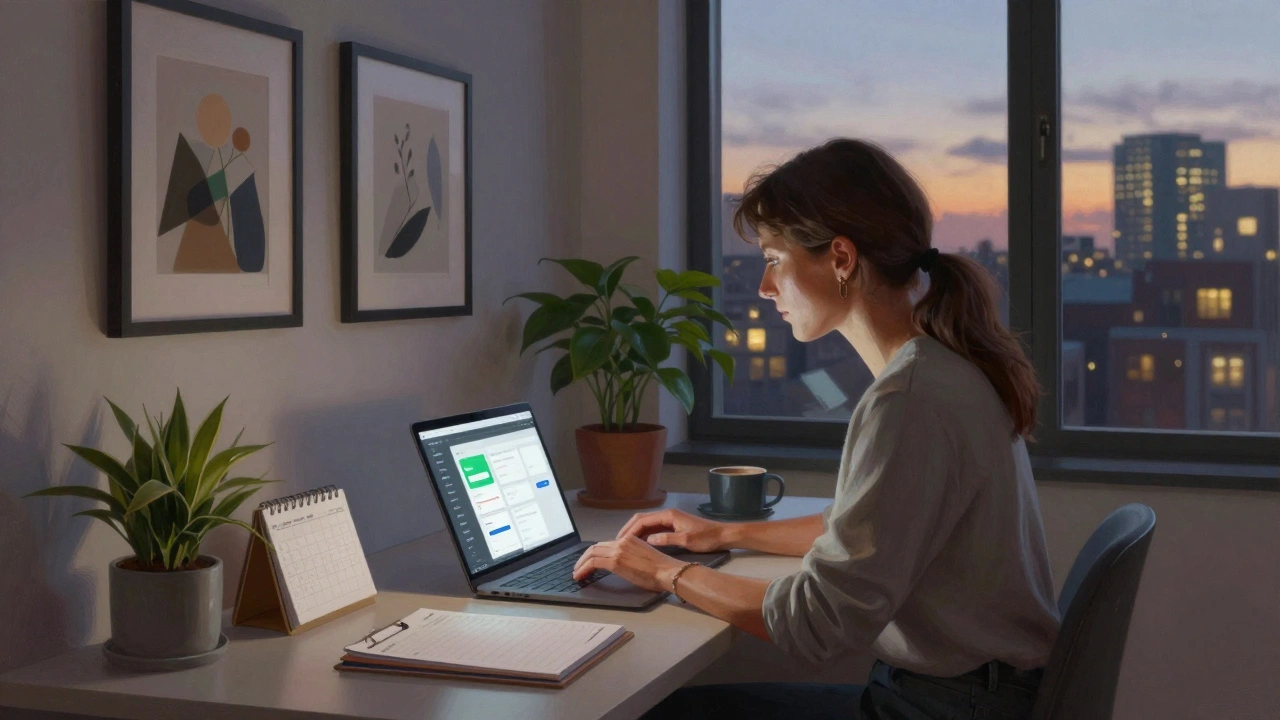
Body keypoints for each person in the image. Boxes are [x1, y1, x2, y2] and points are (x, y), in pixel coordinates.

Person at [571, 138, 1060, 719]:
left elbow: (818, 625)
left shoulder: (909, 400)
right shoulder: (940, 370)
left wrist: (666, 572)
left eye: (774, 259)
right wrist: (722, 535)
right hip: (973, 695)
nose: (763, 287)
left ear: (842, 259)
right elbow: (860, 529)